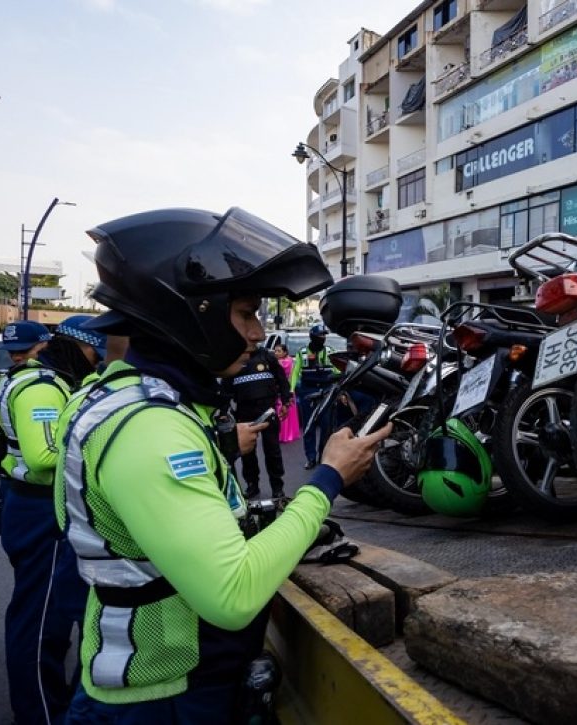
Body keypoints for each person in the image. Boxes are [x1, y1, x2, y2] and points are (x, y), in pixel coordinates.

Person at [55, 206, 389, 723]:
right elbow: (232, 593)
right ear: (195, 311)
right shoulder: (149, 425)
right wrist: (326, 480)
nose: (257, 334)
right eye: (246, 313)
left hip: (167, 681)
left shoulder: (135, 398)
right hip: (161, 698)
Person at [0, 320, 78, 725]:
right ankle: (40, 712)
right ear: (46, 344)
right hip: (39, 506)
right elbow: (42, 459)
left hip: (18, 500)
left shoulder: (7, 381)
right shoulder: (39, 386)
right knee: (39, 618)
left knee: (37, 606)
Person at [227, 343, 293, 499]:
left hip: (267, 410)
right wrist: (224, 411)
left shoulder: (267, 357)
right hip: (244, 411)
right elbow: (226, 387)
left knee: (272, 451)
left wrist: (285, 401)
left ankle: (277, 487)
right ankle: (252, 485)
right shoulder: (234, 359)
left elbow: (282, 380)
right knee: (247, 453)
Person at [289, 324, 338, 470]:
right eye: (320, 336)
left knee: (325, 426)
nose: (323, 338)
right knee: (309, 427)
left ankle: (323, 455)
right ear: (312, 337)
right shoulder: (302, 352)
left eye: (324, 336)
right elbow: (295, 373)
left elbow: (337, 370)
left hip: (326, 392)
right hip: (307, 392)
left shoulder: (330, 352)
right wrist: (291, 391)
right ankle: (310, 458)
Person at [273, 344, 301, 443]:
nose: (276, 353)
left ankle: (282, 435)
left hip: (283, 390)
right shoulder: (291, 360)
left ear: (285, 352)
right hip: (289, 390)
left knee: (282, 410)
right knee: (288, 411)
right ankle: (289, 434)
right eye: (275, 351)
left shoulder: (281, 363)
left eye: (279, 351)